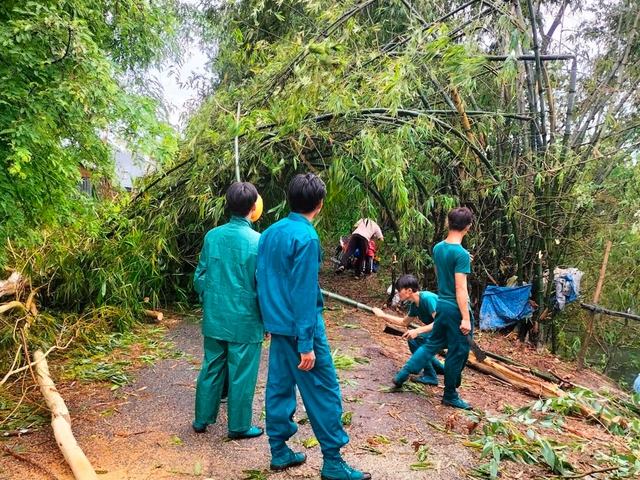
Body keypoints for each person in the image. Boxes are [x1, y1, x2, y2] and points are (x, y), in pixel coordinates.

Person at [257, 173, 371, 480]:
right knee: (324, 390)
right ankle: (333, 461)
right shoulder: (306, 238)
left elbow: (261, 279)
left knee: (279, 387)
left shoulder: (268, 233)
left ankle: (279, 451)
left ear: (290, 199)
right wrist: (307, 343)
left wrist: (267, 320)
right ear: (319, 205)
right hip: (301, 329)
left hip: (279, 327)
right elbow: (304, 291)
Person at [192, 182, 265, 438]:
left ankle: (201, 420)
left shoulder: (212, 236)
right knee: (242, 373)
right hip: (246, 320)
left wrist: (210, 300)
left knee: (211, 367)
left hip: (215, 316)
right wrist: (266, 319)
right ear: (254, 207)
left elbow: (199, 277)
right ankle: (239, 426)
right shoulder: (259, 241)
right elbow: (263, 285)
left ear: (228, 204)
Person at [392, 207, 474, 410]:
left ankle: (403, 374)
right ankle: (450, 395)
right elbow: (460, 287)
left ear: (448, 224)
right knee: (458, 352)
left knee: (431, 345)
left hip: (443, 305)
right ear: (468, 228)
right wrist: (465, 318)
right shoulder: (461, 254)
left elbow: (444, 270)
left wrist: (463, 260)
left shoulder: (438, 248)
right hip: (456, 309)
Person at [372, 274, 445, 385]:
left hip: (449, 332)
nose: (397, 293)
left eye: (399, 290)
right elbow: (404, 322)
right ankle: (437, 368)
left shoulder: (427, 299)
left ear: (409, 290)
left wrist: (417, 331)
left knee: (415, 340)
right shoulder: (415, 305)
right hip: (437, 333)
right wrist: (383, 315)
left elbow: (440, 323)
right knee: (414, 340)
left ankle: (431, 374)